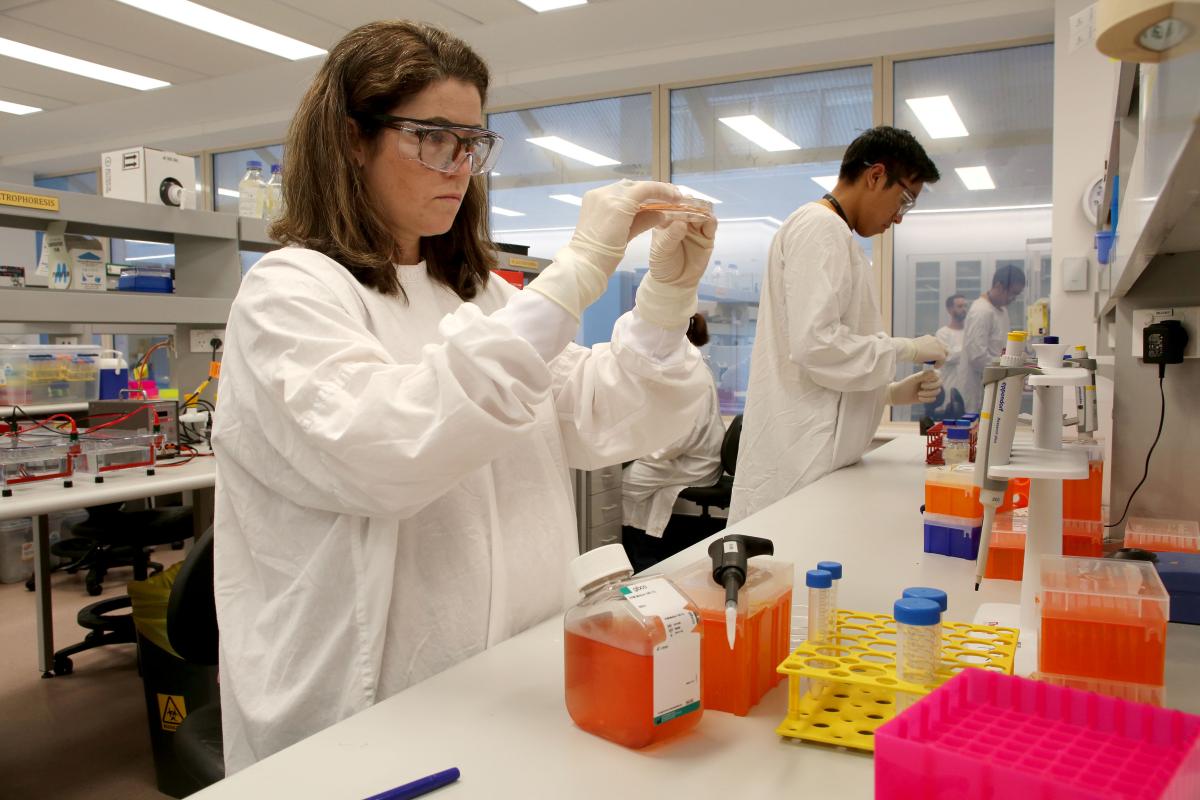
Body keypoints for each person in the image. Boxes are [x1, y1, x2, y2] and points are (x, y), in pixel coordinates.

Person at [211, 20, 716, 773]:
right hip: (369, 693)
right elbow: (386, 449)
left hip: (517, 670)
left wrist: (668, 298)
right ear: (352, 139)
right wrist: (576, 272)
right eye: (433, 139)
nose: (459, 167)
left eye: (472, 143)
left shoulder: (475, 293)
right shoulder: (291, 290)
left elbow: (605, 417)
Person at [729, 126, 946, 523]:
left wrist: (891, 394)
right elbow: (817, 345)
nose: (899, 217)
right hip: (800, 466)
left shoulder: (834, 233)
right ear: (876, 175)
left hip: (812, 459)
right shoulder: (821, 227)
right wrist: (908, 349)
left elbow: (822, 374)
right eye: (905, 199)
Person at [621, 313, 725, 569]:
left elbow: (680, 439)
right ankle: (644, 558)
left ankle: (637, 558)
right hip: (687, 457)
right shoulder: (689, 367)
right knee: (637, 485)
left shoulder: (690, 374)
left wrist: (639, 449)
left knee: (620, 486)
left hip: (689, 462)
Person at [954, 264, 1026, 412]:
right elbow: (977, 357)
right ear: (999, 286)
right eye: (1013, 293)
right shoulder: (981, 311)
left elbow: (1002, 348)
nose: (1014, 299)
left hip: (996, 382)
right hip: (977, 390)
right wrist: (1008, 369)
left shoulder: (1002, 310)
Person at [934, 293, 968, 417]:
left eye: (965, 306)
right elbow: (948, 357)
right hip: (949, 390)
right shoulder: (942, 334)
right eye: (959, 306)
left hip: (969, 390)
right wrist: (967, 349)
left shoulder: (969, 333)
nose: (963, 309)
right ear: (949, 309)